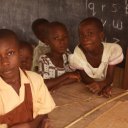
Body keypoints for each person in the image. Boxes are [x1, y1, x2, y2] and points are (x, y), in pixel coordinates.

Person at [0, 29, 55, 128]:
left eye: (10, 53)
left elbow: (44, 110)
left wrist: (43, 121)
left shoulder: (35, 80)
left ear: (19, 53)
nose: (4, 62)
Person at [69, 17, 124, 98]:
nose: (85, 38)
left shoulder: (112, 51)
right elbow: (85, 78)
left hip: (106, 85)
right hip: (88, 87)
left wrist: (104, 85)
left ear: (101, 35)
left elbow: (109, 78)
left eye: (90, 33)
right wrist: (99, 88)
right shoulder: (77, 55)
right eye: (81, 35)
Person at [38, 21, 81, 90]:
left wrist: (61, 84)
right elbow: (44, 85)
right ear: (47, 41)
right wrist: (67, 75)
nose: (62, 41)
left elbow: (77, 76)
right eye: (56, 38)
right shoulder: (44, 60)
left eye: (65, 37)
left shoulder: (67, 54)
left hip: (65, 93)